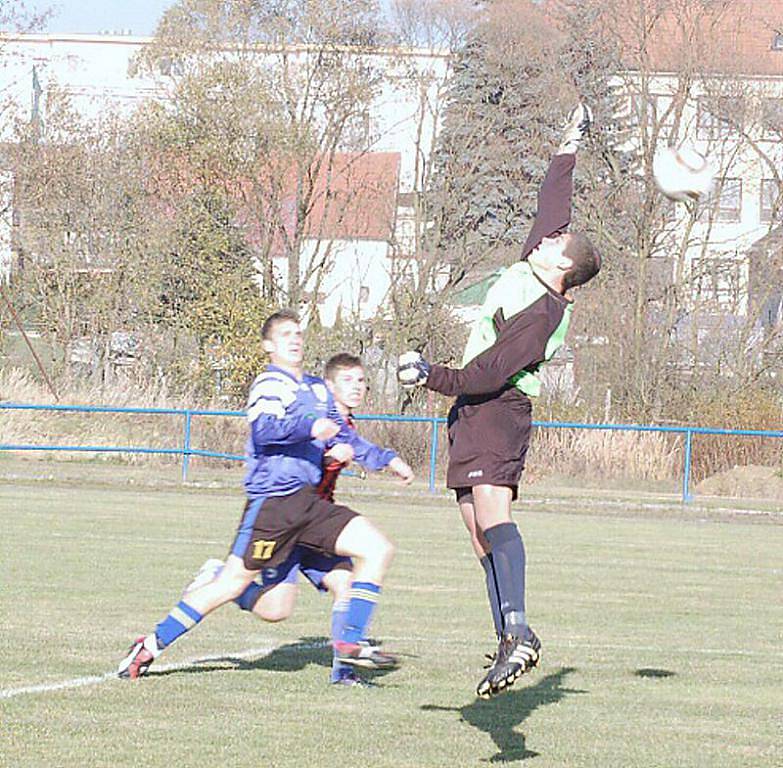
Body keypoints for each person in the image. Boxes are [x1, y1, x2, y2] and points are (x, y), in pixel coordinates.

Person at [397, 105, 600, 699]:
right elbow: (552, 202)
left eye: (557, 241)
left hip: (499, 411)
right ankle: (510, 642)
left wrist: (430, 374)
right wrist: (568, 145)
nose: (548, 237)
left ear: (563, 264)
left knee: (494, 519)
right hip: (472, 416)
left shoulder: (543, 314)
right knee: (477, 534)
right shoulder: (534, 268)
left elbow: (487, 374)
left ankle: (519, 631)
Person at [119, 310, 406, 680]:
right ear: (268, 345)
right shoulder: (269, 383)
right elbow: (265, 430)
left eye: (298, 332)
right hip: (275, 504)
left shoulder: (318, 388)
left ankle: (348, 648)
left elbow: (343, 436)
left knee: (377, 548)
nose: (295, 339)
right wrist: (309, 426)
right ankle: (151, 645)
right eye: (285, 334)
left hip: (311, 505)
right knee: (247, 593)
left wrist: (386, 459)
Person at [183, 352, 414, 686]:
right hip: (291, 523)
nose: (357, 388)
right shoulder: (316, 415)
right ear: (328, 386)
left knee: (345, 582)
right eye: (347, 381)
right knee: (276, 610)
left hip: (319, 525)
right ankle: (220, 578)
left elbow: (359, 447)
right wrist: (328, 455)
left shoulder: (344, 425)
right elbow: (293, 454)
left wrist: (389, 460)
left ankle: (344, 672)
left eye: (361, 380)